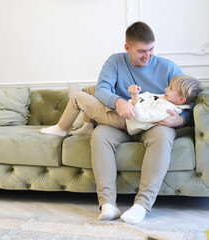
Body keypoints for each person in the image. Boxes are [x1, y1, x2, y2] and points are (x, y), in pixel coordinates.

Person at [40, 21, 194, 224]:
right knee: (100, 135)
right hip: (120, 122)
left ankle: (142, 205)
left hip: (153, 125)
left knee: (164, 135)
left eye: (151, 49)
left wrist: (180, 119)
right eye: (141, 51)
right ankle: (107, 205)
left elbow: (189, 99)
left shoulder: (168, 67)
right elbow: (102, 89)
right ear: (127, 48)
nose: (147, 56)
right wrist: (119, 101)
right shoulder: (115, 61)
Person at [40, 75, 202, 137]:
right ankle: (88, 125)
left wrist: (134, 96)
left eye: (171, 89)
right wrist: (128, 99)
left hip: (122, 121)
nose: (166, 89)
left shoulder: (167, 110)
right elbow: (150, 99)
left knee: (77, 97)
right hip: (123, 112)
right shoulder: (169, 101)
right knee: (92, 89)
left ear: (181, 100)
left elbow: (140, 116)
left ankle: (61, 128)